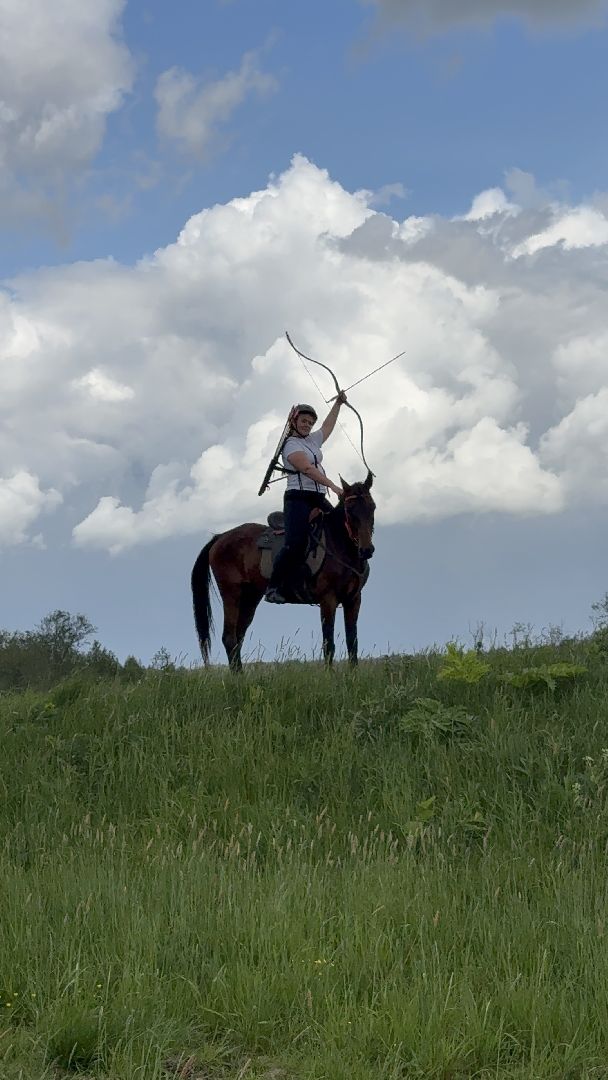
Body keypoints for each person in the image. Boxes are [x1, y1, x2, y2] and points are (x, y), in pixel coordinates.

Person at [264, 392, 348, 603]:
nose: (307, 425)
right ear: (295, 421)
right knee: (294, 543)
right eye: (303, 421)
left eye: (310, 423)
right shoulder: (291, 445)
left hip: (317, 497)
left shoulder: (312, 440)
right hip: (298, 498)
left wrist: (338, 404)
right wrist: (334, 487)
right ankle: (274, 587)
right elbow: (307, 469)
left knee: (341, 526)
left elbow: (327, 428)